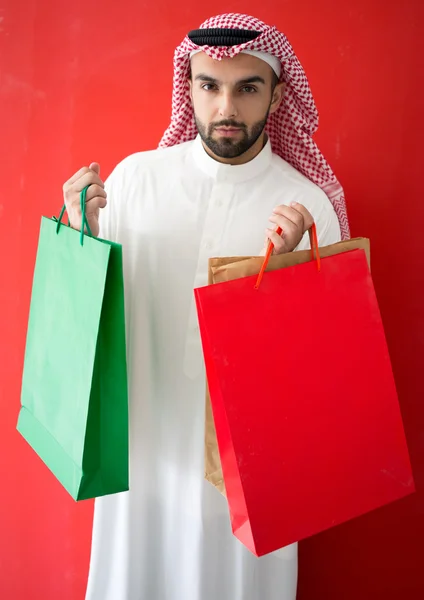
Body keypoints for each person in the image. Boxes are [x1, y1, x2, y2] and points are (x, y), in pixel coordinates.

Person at [63, 13, 349, 600]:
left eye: (247, 87)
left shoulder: (308, 206)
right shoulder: (134, 182)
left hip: (246, 488)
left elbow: (329, 378)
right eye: (209, 86)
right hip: (141, 471)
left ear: (275, 94)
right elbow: (88, 332)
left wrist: (294, 272)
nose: (226, 108)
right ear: (187, 87)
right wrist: (77, 231)